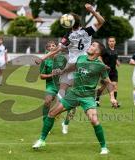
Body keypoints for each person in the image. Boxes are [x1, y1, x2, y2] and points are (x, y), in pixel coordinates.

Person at [32, 41, 118, 155]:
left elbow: (108, 83)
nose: (90, 46)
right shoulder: (81, 58)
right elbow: (73, 67)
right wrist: (62, 71)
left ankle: (104, 147)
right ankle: (41, 140)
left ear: (98, 51)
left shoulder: (100, 66)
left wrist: (112, 97)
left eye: (93, 45)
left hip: (87, 97)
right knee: (52, 113)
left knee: (94, 121)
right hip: (74, 94)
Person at [35, 3, 105, 134]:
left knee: (67, 91)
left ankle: (63, 116)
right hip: (82, 65)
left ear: (69, 23)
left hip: (77, 65)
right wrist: (92, 11)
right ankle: (62, 114)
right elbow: (101, 21)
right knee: (66, 93)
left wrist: (43, 58)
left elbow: (57, 49)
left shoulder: (68, 36)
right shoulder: (87, 31)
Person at [39, 41, 67, 124]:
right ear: (47, 49)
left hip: (62, 85)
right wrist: (52, 75)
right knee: (47, 101)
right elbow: (41, 76)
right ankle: (45, 121)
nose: (52, 47)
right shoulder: (45, 61)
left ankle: (55, 114)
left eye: (54, 45)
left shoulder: (62, 59)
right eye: (50, 46)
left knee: (64, 105)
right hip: (51, 85)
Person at [96, 36, 120, 107]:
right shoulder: (105, 50)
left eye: (113, 41)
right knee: (103, 87)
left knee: (114, 86)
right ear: (108, 42)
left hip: (114, 71)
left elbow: (115, 58)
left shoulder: (115, 51)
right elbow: (99, 57)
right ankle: (96, 100)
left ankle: (114, 103)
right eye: (110, 41)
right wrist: (104, 65)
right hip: (106, 72)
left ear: (115, 42)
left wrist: (117, 62)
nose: (112, 42)